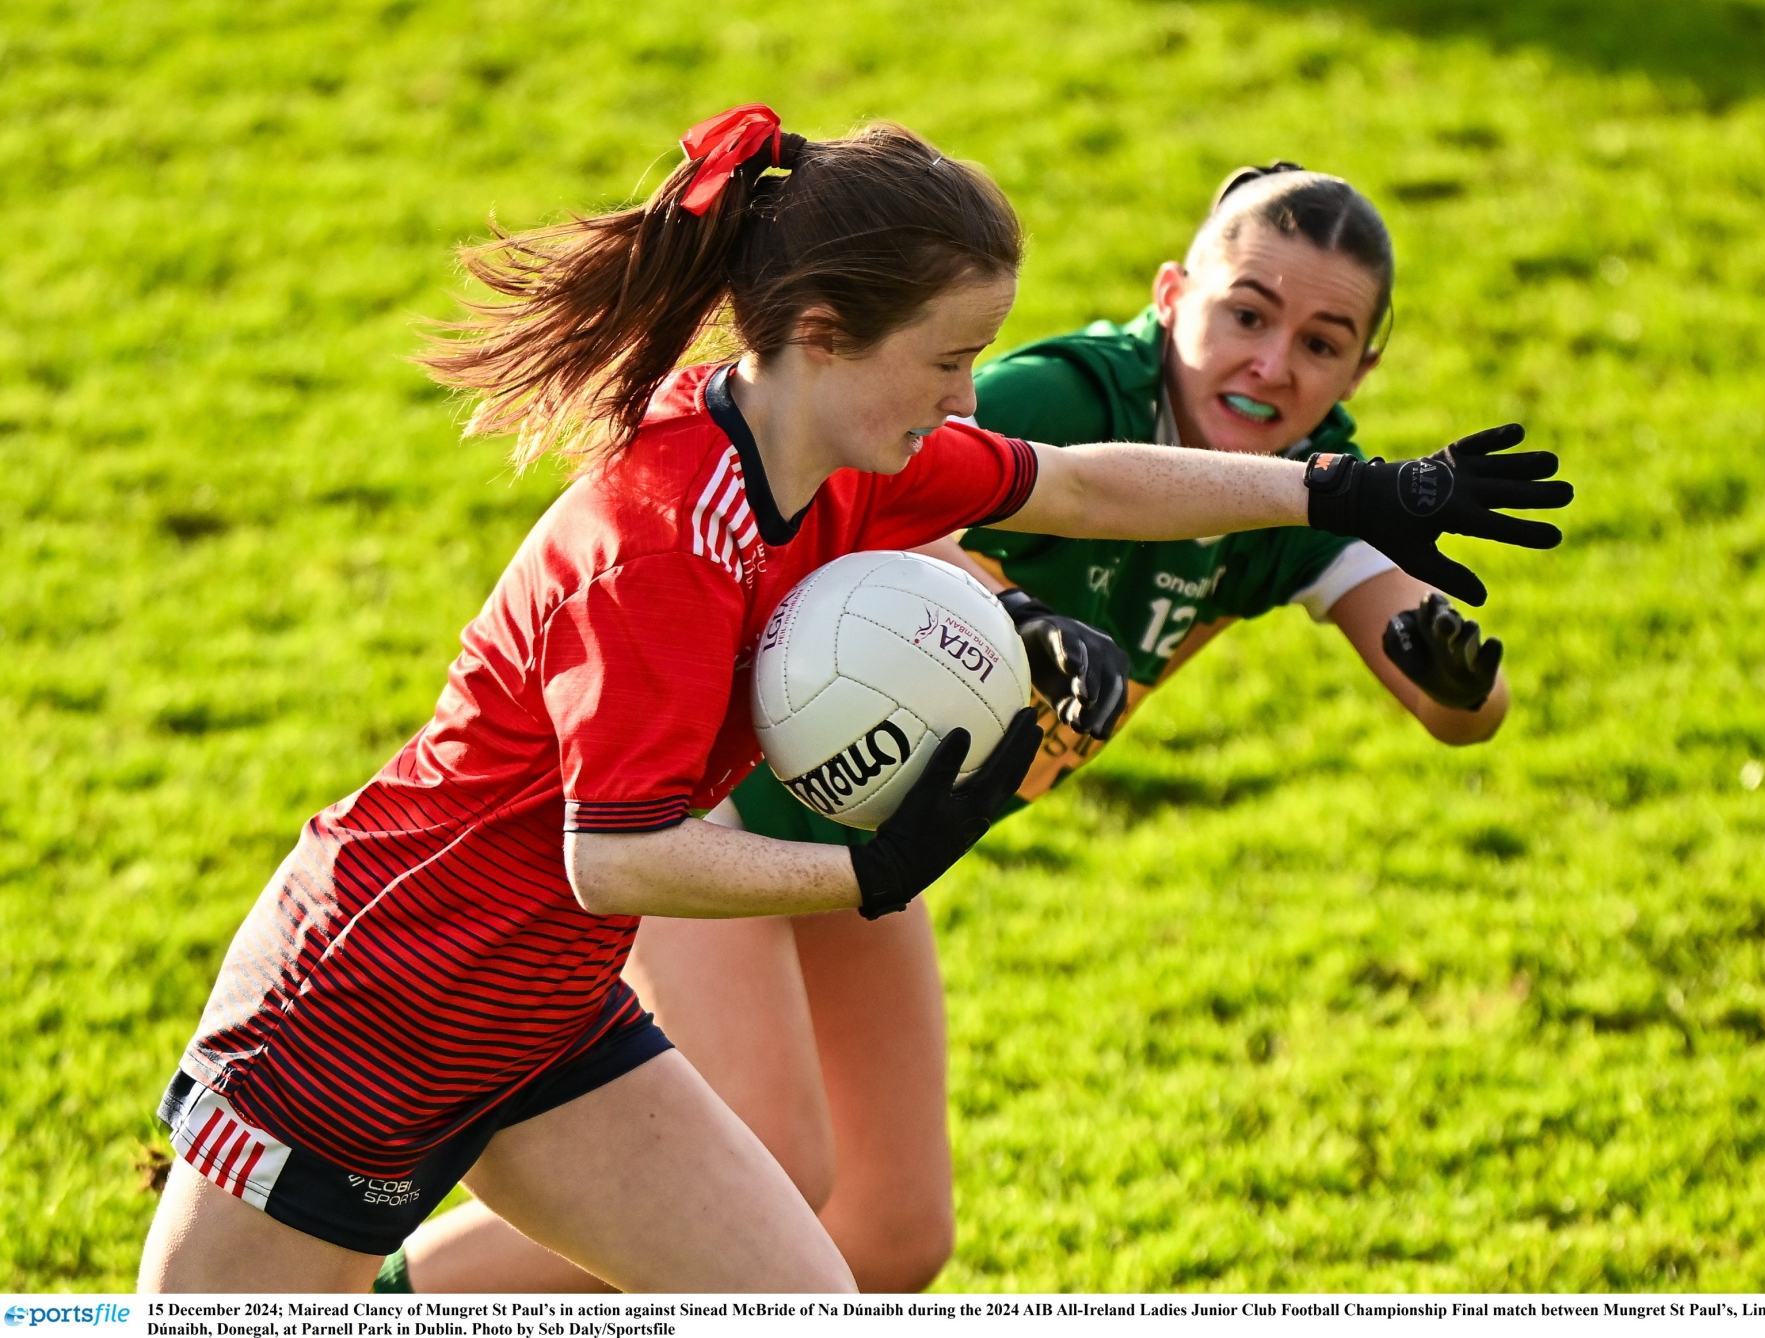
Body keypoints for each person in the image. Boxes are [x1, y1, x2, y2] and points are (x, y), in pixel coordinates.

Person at [381, 160, 1559, 1294]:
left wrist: (1439, 649)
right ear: (1172, 294)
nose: (1272, 362)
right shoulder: (1056, 396)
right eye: (1247, 314)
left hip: (880, 820)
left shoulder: (1295, 466)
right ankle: (385, 1294)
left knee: (892, 1235)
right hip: (713, 817)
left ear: (1360, 368)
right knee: (771, 1166)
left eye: (1320, 343)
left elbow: (1450, 697)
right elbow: (895, 493)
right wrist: (1014, 616)